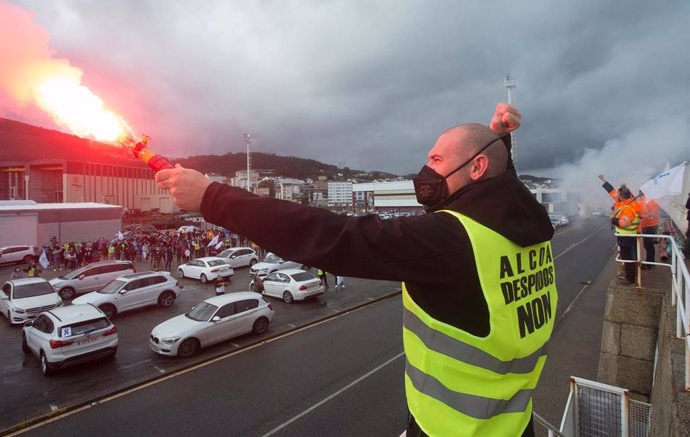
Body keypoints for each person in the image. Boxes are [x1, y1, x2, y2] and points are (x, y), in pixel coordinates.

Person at [156, 103, 556, 436]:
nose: (426, 170)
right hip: (513, 423)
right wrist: (498, 139)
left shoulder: (451, 240)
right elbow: (504, 187)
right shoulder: (529, 227)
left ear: (477, 167)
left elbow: (333, 235)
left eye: (436, 160)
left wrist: (213, 197)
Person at [598, 175, 642, 284]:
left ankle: (631, 274)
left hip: (630, 232)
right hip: (631, 231)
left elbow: (625, 221)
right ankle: (631, 271)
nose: (616, 196)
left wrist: (613, 218)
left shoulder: (629, 205)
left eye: (619, 195)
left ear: (622, 196)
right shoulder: (630, 202)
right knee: (630, 254)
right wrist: (603, 180)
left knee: (630, 254)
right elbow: (611, 190)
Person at [638, 191, 660, 269]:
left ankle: (649, 264)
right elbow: (657, 211)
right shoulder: (653, 200)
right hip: (654, 224)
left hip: (648, 226)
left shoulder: (643, 202)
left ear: (641, 194)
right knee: (650, 245)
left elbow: (644, 218)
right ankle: (651, 262)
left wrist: (640, 229)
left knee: (647, 245)